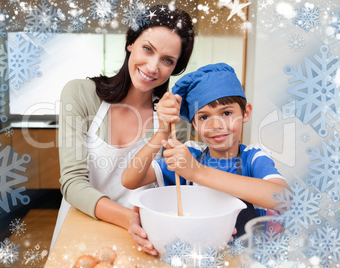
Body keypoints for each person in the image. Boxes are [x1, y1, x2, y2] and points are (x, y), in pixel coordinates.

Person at [50, 4, 195, 255]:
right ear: (131, 43)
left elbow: (170, 189)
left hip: (143, 238)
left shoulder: (174, 122)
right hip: (83, 226)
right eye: (147, 49)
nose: (152, 67)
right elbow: (72, 182)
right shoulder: (81, 95)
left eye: (167, 60)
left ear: (175, 68)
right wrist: (129, 219)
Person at [122, 62, 289, 237]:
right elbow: (130, 179)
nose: (216, 125)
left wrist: (196, 172)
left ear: (245, 113)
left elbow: (284, 199)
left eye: (226, 113)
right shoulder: (190, 156)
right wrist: (163, 129)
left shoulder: (252, 158)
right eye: (204, 117)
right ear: (194, 123)